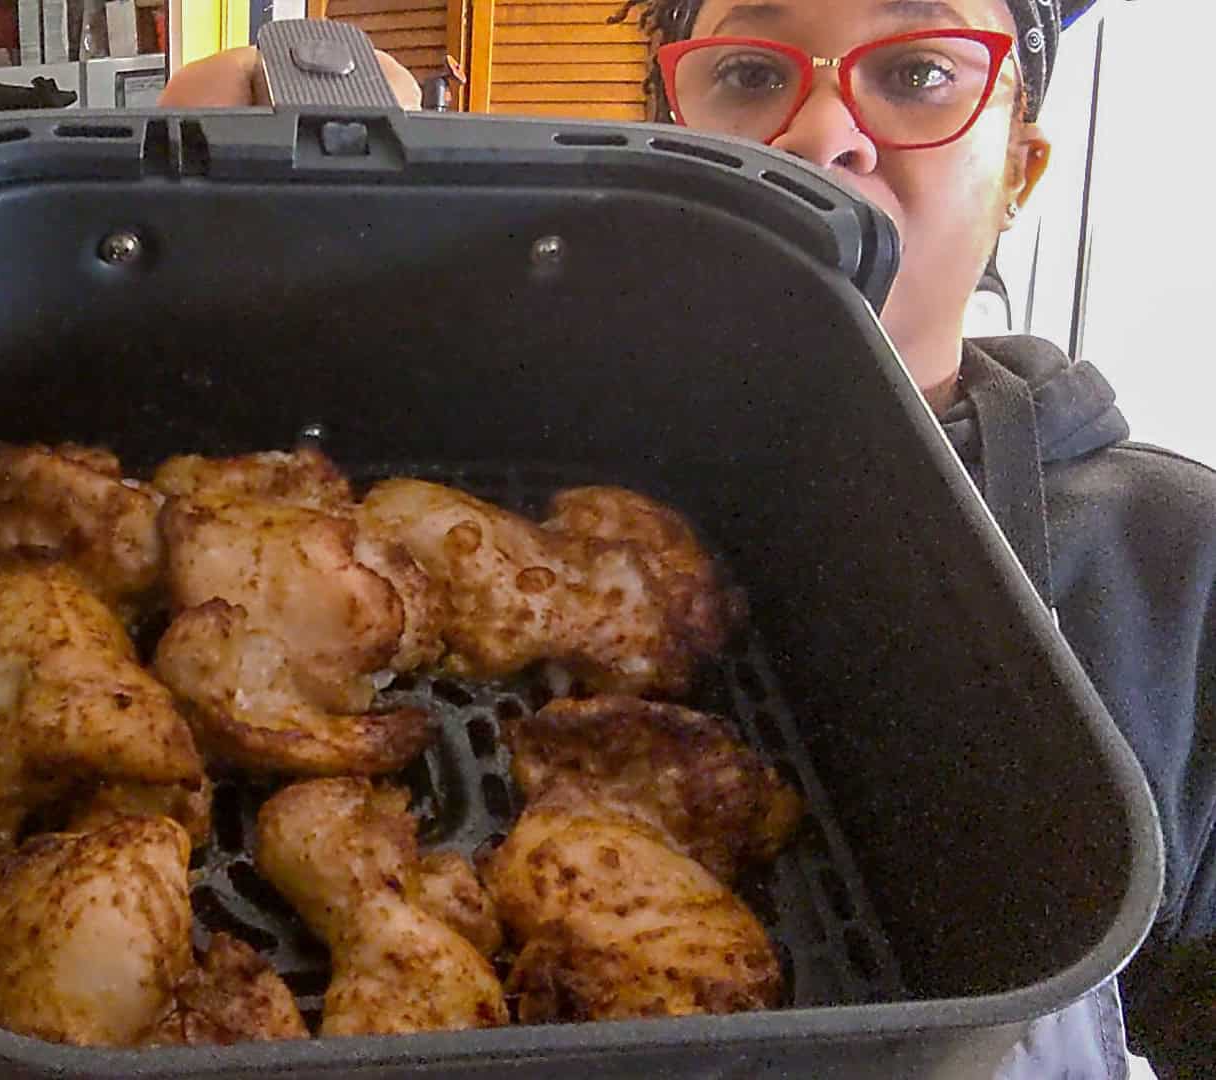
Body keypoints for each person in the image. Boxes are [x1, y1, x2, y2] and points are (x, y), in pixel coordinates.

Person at [160, 2, 1214, 1076]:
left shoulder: (1177, 566)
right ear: (673, 136)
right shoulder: (539, 422)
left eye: (920, 71)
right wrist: (310, 180)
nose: (822, 133)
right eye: (753, 72)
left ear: (1022, 169)